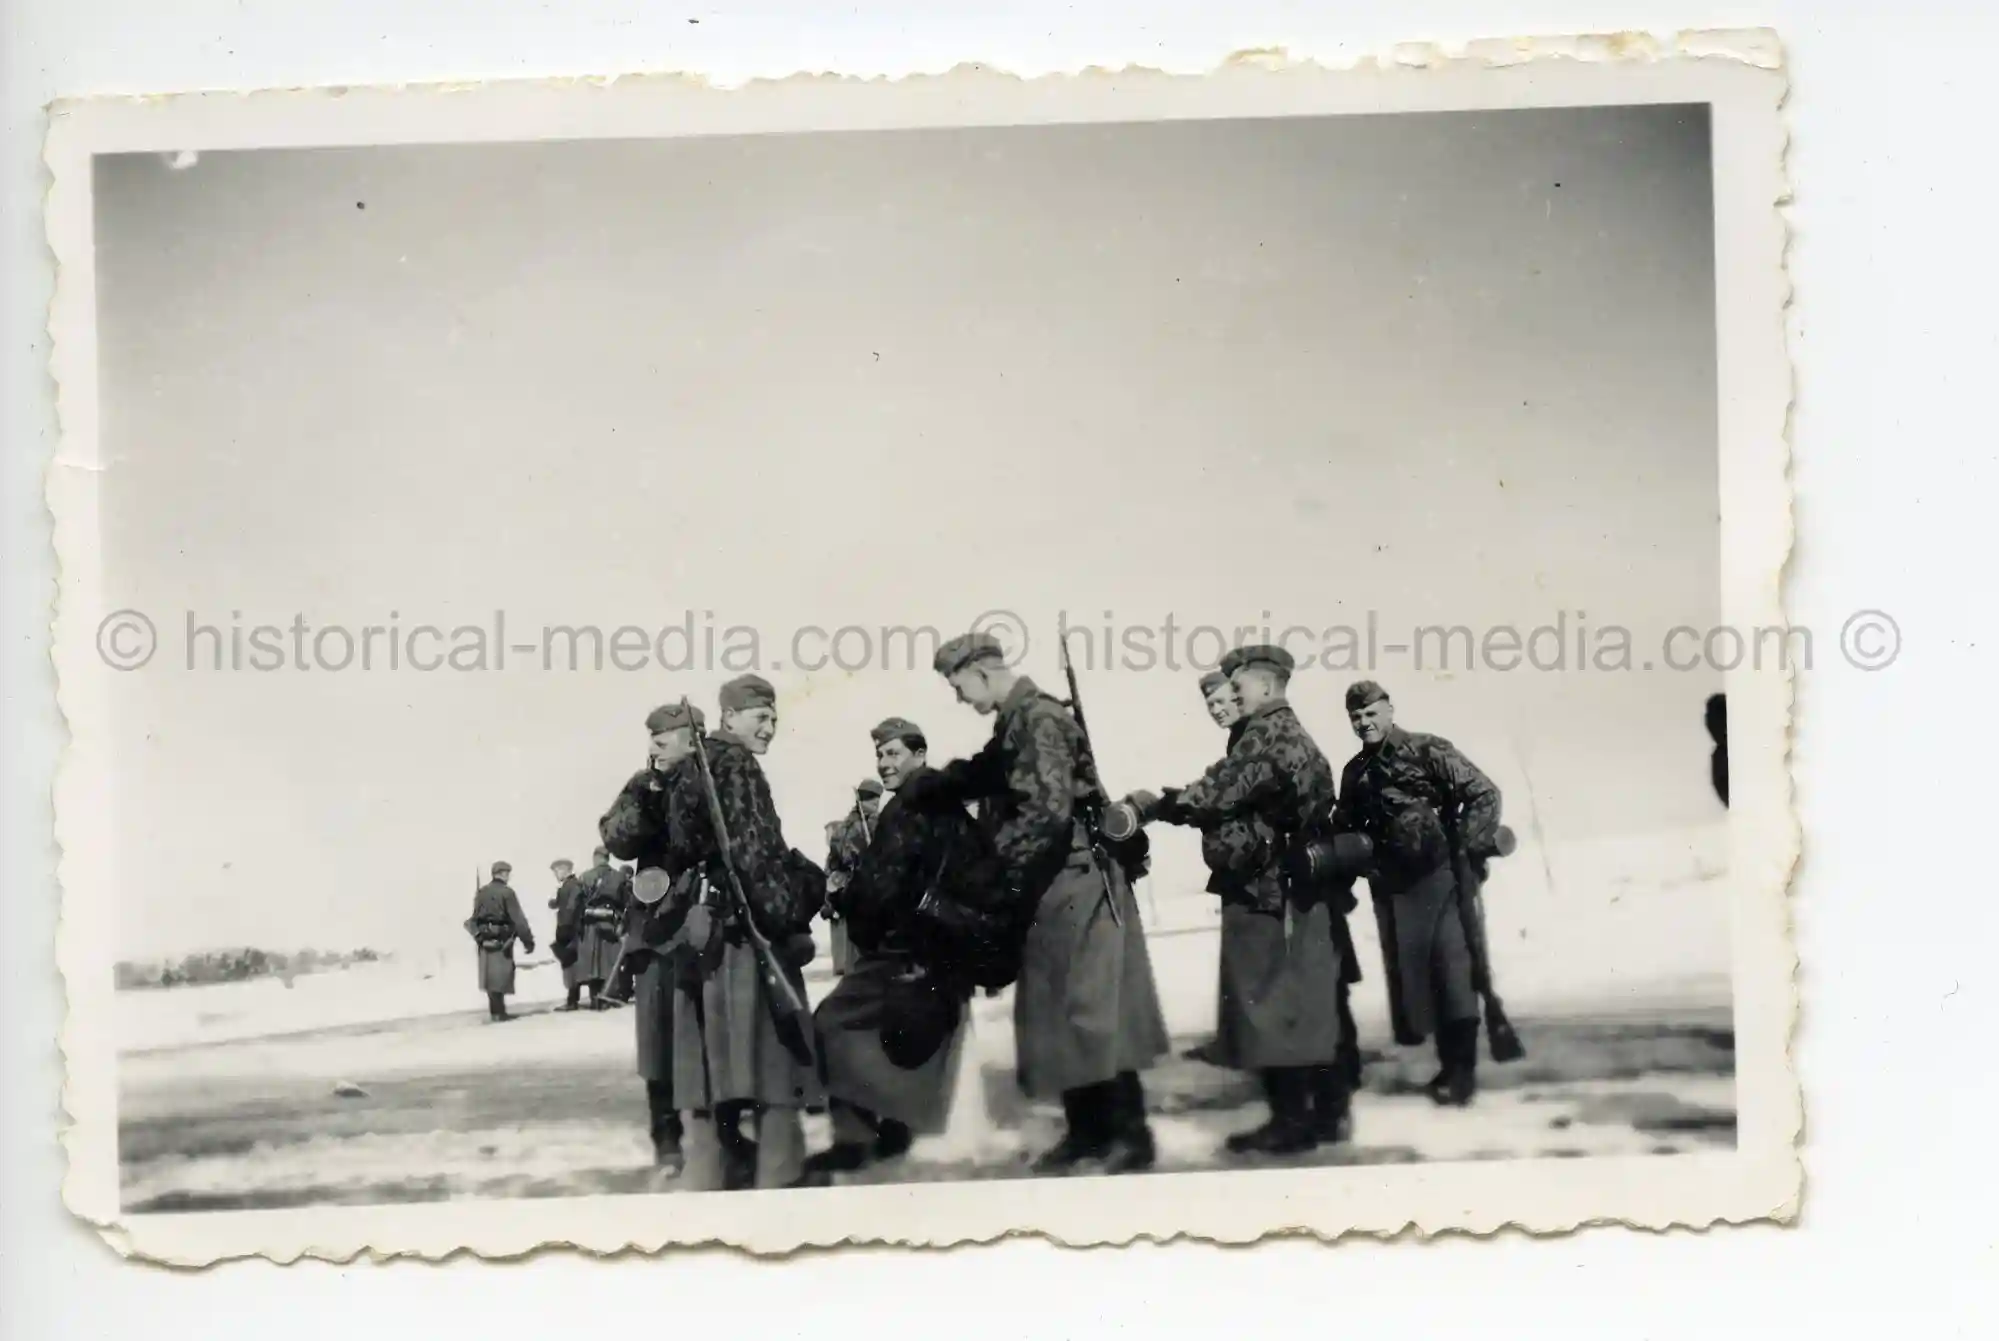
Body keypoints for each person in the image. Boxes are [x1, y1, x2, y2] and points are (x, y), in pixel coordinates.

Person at [907, 631, 1168, 1175]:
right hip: (1050, 884)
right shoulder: (1015, 721)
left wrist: (986, 873)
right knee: (1057, 1014)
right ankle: (1086, 1132)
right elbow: (987, 770)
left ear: (981, 672)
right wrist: (934, 784)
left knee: (1093, 1011)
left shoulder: (1039, 718)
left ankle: (1128, 1134)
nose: (960, 698)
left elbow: (1045, 813)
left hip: (1074, 878)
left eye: (960, 687)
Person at [1128, 647, 1351, 1154]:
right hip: (1295, 890)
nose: (1232, 693)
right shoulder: (1288, 734)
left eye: (1240, 685)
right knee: (1302, 1006)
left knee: (1267, 1006)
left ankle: (1291, 1122)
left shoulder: (1266, 735)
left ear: (1266, 687)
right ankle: (1326, 1115)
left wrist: (1155, 804)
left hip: (1265, 891)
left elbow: (1215, 794)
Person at [794, 716, 998, 1186]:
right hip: (937, 943)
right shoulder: (940, 804)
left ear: (919, 755)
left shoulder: (912, 804)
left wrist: (845, 896)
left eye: (893, 753)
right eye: (880, 755)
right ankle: (892, 1126)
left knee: (832, 1021)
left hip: (909, 944)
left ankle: (855, 1139)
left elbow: (883, 885)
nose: (884, 763)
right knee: (881, 1029)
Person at [662, 674, 827, 1190]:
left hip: (703, 934)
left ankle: (708, 1175)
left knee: (710, 1066)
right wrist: (791, 916)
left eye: (775, 718)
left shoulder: (691, 768)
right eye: (761, 716)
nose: (772, 727)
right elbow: (755, 856)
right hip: (745, 933)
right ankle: (783, 1175)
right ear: (729, 716)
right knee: (777, 1059)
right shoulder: (737, 767)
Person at [1334, 680, 1504, 1106]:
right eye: (1356, 717)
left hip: (1441, 879)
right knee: (1417, 982)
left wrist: (1464, 846)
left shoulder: (1428, 749)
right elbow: (1346, 828)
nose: (1364, 723)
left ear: (1390, 710)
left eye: (1371, 714)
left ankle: (1460, 1073)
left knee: (1453, 974)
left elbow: (1484, 793)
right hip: (1393, 889)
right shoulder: (1355, 773)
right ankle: (1447, 1066)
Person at [600, 702, 708, 1172]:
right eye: (653, 740)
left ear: (694, 737)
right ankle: (667, 1137)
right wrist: (648, 799)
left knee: (713, 1027)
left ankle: (720, 1128)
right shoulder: (643, 785)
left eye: (665, 739)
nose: (655, 748)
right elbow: (616, 838)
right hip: (657, 923)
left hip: (706, 917)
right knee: (659, 1035)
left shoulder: (715, 779)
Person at [823, 780, 885, 976]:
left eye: (877, 802)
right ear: (863, 801)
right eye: (873, 802)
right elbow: (838, 860)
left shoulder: (870, 823)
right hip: (861, 892)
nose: (876, 807)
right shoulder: (852, 828)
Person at [466, 862, 535, 1022]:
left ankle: (496, 1011)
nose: (508, 876)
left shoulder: (481, 892)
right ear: (503, 874)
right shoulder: (507, 892)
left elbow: (475, 917)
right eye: (507, 873)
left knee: (490, 977)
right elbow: (518, 918)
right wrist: (528, 941)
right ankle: (499, 1012)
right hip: (502, 939)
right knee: (501, 976)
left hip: (484, 939)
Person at [572, 845, 629, 1009]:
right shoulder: (619, 877)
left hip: (590, 925)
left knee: (593, 965)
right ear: (608, 858)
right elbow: (626, 902)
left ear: (595, 858)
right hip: (611, 924)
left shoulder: (585, 877)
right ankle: (607, 997)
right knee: (608, 962)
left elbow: (577, 903)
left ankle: (594, 999)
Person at [549, 858, 587, 1010]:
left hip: (570, 931)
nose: (556, 874)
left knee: (570, 964)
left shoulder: (573, 886)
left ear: (566, 870)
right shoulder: (569, 886)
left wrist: (563, 930)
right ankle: (572, 999)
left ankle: (572, 1001)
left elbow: (571, 908)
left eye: (557, 871)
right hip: (571, 929)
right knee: (570, 964)